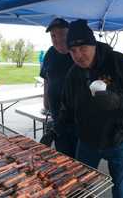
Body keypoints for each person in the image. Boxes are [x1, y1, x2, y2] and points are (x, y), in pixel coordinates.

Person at [57, 19, 123, 197]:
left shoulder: (119, 62)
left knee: (121, 190)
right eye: (73, 51)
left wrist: (118, 101)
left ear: (93, 44)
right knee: (82, 187)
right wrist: (56, 128)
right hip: (87, 141)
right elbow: (66, 106)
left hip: (118, 140)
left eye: (83, 48)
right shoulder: (73, 73)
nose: (78, 55)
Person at [39, 18, 78, 158]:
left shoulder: (77, 53)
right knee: (63, 156)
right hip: (56, 116)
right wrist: (46, 102)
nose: (57, 39)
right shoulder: (50, 54)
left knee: (80, 161)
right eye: (53, 36)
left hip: (77, 120)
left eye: (62, 34)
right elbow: (46, 79)